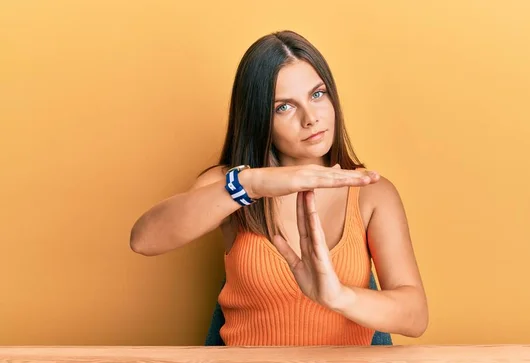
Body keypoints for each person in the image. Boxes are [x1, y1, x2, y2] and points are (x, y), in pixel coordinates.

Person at [130, 30, 428, 346]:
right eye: (283, 107)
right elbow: (144, 239)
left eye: (317, 94)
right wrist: (250, 184)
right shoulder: (231, 184)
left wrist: (339, 296)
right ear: (259, 119)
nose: (311, 118)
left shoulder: (372, 193)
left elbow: (415, 315)